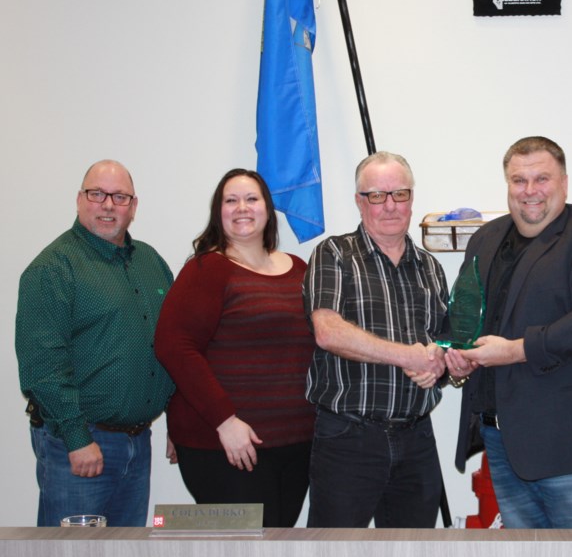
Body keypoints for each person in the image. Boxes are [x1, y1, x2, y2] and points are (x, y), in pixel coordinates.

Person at [446, 136, 572, 529]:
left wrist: (515, 350)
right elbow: (467, 317)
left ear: (565, 183)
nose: (530, 191)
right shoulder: (486, 239)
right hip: (504, 444)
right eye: (519, 180)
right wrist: (455, 358)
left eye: (542, 179)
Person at [16, 160, 175, 527]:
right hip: (80, 444)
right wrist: (76, 439)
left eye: (119, 196)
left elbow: (172, 345)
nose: (107, 205)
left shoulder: (150, 262)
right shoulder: (53, 268)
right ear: (79, 200)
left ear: (133, 207)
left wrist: (179, 423)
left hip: (137, 443)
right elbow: (42, 366)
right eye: (97, 194)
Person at [154, 169, 315, 527]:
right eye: (231, 200)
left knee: (274, 550)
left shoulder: (300, 269)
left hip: (296, 445)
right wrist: (225, 421)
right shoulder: (208, 269)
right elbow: (173, 346)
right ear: (218, 212)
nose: (242, 207)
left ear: (268, 210)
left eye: (251, 199)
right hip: (226, 447)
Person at [303, 152, 448, 528]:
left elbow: (443, 344)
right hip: (349, 438)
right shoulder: (334, 254)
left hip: (417, 438)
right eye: (376, 196)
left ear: (412, 199)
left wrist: (440, 361)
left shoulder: (430, 267)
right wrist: (408, 357)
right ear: (358, 201)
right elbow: (327, 331)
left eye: (399, 194)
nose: (390, 206)